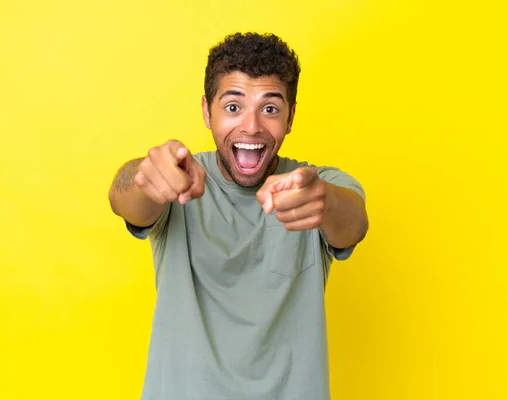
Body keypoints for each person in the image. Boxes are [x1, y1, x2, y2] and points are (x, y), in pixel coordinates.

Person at [108, 32, 368, 400]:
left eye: (270, 108)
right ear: (206, 111)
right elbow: (123, 200)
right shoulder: (180, 177)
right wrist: (145, 177)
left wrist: (323, 203)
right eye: (233, 107)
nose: (251, 126)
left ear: (291, 116)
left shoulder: (317, 186)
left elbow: (354, 224)